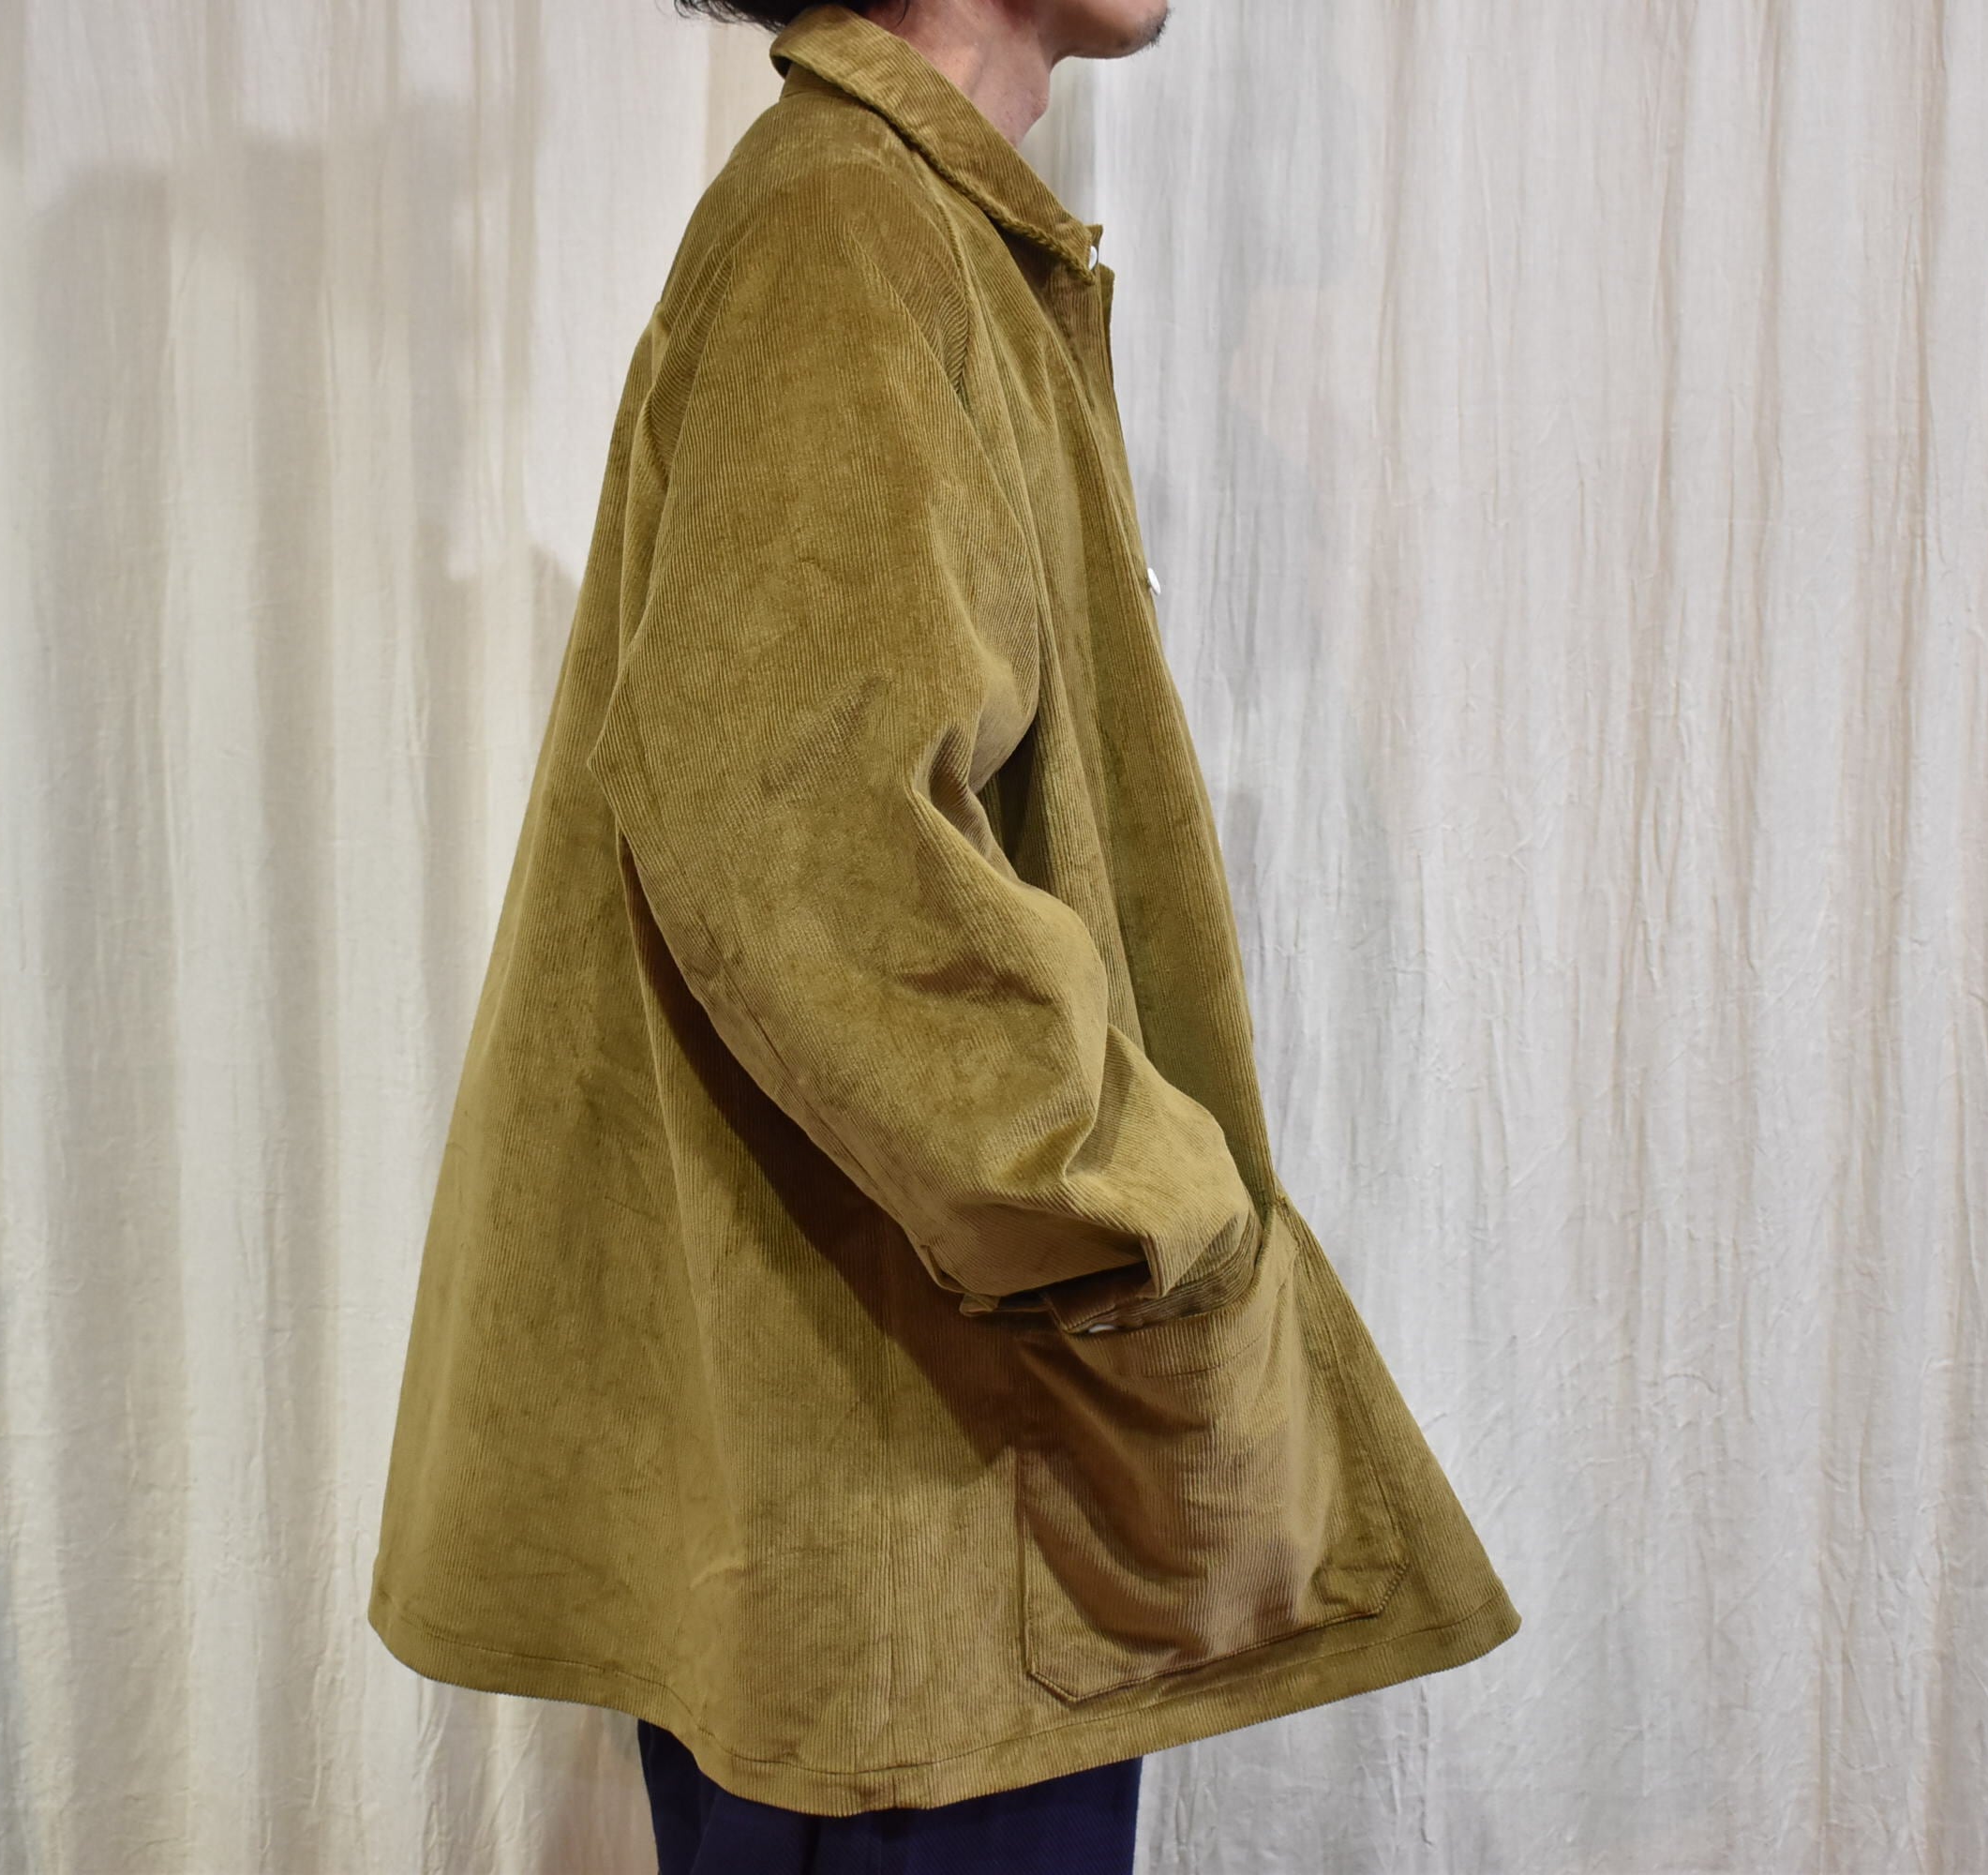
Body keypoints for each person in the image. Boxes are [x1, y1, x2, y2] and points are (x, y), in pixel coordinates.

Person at [366, 4, 1522, 1868]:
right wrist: (1142, 1202)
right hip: (911, 1505)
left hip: (924, 1480)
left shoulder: (901, 221)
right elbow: (808, 831)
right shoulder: (854, 226)